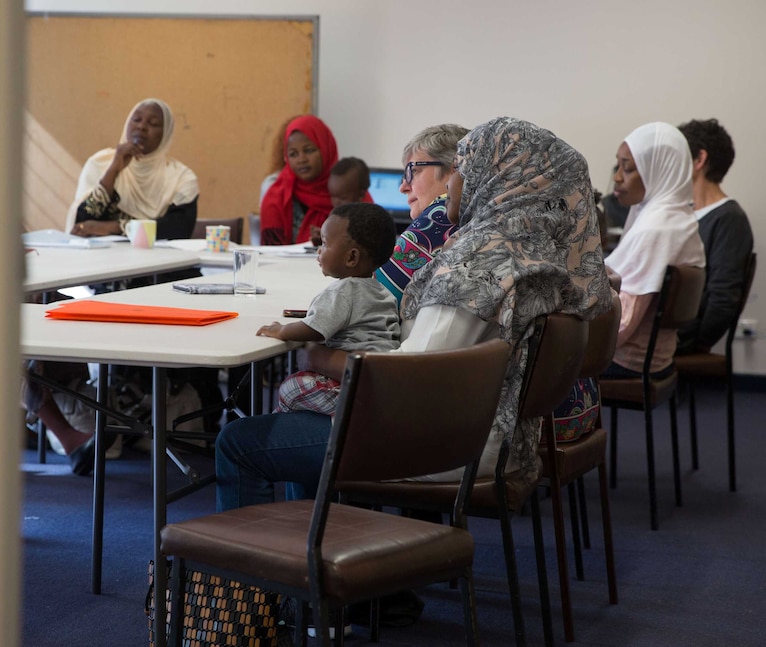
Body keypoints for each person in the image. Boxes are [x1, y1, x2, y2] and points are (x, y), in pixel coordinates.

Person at [214, 116, 612, 513]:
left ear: (493, 180)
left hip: (441, 447)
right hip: (497, 439)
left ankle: (259, 568)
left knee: (238, 440)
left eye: (464, 170)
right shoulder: (539, 258)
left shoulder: (473, 267)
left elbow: (407, 378)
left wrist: (319, 356)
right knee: (301, 412)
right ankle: (317, 553)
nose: (454, 183)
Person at [257, 203, 399, 415]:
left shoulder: (344, 290)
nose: (319, 250)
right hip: (377, 383)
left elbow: (313, 329)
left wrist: (280, 330)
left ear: (351, 258)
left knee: (290, 386)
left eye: (324, 243)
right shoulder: (381, 291)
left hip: (347, 386)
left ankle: (283, 415)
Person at [602, 122, 706, 378]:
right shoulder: (679, 218)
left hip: (628, 362)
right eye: (618, 166)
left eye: (627, 168)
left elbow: (621, 326)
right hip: (657, 358)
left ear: (658, 171)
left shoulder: (656, 230)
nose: (617, 177)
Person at [65, 97, 200, 240]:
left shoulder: (181, 178)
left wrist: (115, 227)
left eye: (153, 124)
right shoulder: (100, 163)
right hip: (102, 258)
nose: (141, 127)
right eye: (136, 120)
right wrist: (113, 171)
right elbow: (82, 222)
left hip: (156, 259)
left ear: (166, 134)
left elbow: (178, 230)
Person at [675, 118, 754, 354]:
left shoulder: (730, 219)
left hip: (682, 337)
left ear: (699, 159)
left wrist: (696, 343)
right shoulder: (683, 212)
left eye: (677, 155)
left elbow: (723, 300)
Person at [375, 124, 468, 305]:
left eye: (413, 171)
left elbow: (373, 296)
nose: (403, 187)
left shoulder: (440, 216)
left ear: (454, 169)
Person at [259, 115, 372, 246]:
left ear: (325, 148)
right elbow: (271, 251)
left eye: (309, 150)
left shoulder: (347, 186)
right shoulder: (277, 196)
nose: (301, 160)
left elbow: (369, 244)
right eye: (293, 154)